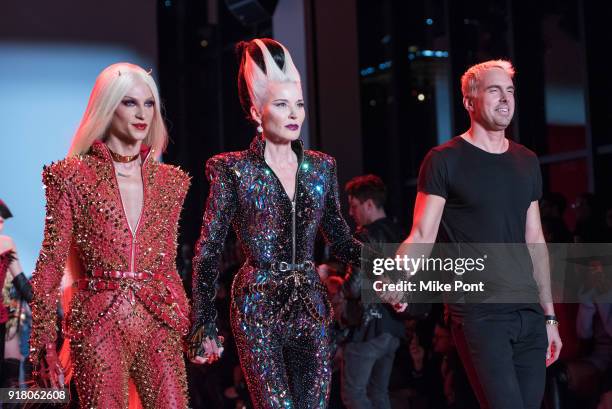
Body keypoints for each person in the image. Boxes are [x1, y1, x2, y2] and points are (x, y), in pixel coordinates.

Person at [188, 38, 364, 408]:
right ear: (256, 112)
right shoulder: (231, 169)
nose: (293, 114)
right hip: (257, 305)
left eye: (298, 105)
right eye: (282, 105)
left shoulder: (321, 167)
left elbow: (343, 241)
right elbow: (208, 250)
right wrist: (203, 319)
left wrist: (388, 270)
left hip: (311, 304)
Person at [396, 60, 562, 409]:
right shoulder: (444, 160)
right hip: (480, 313)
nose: (505, 99)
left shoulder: (526, 161)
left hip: (529, 315)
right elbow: (423, 233)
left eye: (510, 91)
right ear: (469, 101)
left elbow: (535, 242)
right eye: (494, 90)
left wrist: (549, 317)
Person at [30, 63, 191, 408]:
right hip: (98, 323)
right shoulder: (71, 176)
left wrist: (193, 327)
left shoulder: (170, 182)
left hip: (157, 321)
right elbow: (50, 263)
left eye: (149, 104)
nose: (142, 114)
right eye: (129, 103)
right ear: (108, 106)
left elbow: (167, 266)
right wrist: (43, 344)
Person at [340, 174, 405, 409]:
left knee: (354, 394)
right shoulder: (401, 234)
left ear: (368, 205)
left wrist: (335, 281)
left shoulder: (363, 237)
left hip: (367, 329)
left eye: (353, 205)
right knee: (379, 393)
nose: (350, 212)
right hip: (394, 327)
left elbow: (354, 287)